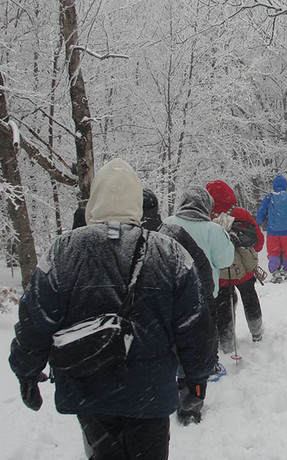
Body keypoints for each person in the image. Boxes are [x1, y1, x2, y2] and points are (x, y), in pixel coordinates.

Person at [8, 158, 217, 460]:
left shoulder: (64, 251)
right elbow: (194, 323)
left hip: (90, 388)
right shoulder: (169, 253)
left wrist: (26, 371)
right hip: (151, 392)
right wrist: (196, 380)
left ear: (94, 201)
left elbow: (36, 318)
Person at [141, 188, 220, 425]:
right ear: (157, 210)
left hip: (145, 320)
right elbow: (202, 268)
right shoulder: (173, 233)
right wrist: (203, 303)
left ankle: (151, 402)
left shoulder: (117, 241)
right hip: (179, 308)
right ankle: (189, 406)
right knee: (189, 355)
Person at [205, 180, 265, 350]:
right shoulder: (241, 213)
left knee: (223, 304)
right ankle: (257, 331)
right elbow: (259, 242)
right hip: (244, 270)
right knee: (249, 297)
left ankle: (226, 341)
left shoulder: (206, 219)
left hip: (221, 273)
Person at [164, 184, 235, 301]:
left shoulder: (167, 224)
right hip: (205, 292)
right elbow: (225, 261)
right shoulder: (214, 229)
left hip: (172, 292)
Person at [256, 173, 287, 282]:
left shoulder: (270, 197)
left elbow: (262, 211)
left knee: (273, 251)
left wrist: (258, 222)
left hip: (273, 231)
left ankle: (275, 271)